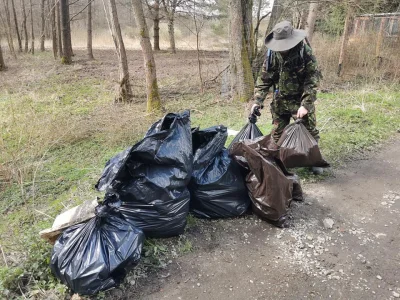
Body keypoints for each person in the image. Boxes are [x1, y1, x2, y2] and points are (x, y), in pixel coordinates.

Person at [251, 20, 323, 175]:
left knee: (310, 131)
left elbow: (312, 80)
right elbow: (264, 79)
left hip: (300, 101)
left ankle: (313, 160)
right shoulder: (272, 55)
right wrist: (257, 102)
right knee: (277, 134)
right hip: (280, 102)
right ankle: (278, 161)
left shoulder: (305, 53)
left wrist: (306, 104)